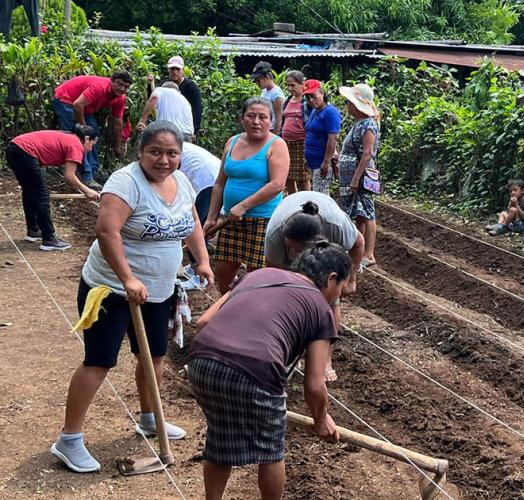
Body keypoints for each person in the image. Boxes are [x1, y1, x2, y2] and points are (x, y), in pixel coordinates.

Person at [50, 121, 214, 473]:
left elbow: (193, 222)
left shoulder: (181, 182)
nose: (164, 160)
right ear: (141, 152)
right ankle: (69, 439)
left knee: (153, 357)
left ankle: (149, 417)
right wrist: (127, 278)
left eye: (172, 153)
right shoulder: (126, 183)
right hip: (110, 288)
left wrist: (201, 259)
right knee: (100, 361)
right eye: (156, 151)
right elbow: (106, 231)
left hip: (158, 289)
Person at [188, 241, 347, 500]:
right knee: (271, 451)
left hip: (202, 360)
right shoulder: (321, 309)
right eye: (340, 287)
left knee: (219, 441)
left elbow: (204, 321)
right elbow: (315, 384)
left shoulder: (258, 275)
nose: (339, 295)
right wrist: (320, 419)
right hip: (256, 371)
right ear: (331, 279)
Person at [265, 191, 365, 381]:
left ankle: (325, 359)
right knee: (288, 304)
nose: (295, 251)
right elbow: (274, 275)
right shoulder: (275, 234)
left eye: (297, 248)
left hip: (327, 257)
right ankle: (289, 353)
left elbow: (358, 244)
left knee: (331, 303)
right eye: (291, 247)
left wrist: (350, 279)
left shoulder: (336, 225)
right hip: (288, 263)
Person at [203, 96, 289, 294]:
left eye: (262, 117)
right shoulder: (232, 142)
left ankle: (253, 317)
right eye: (251, 116)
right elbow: (219, 183)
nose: (256, 121)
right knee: (223, 271)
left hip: (263, 222)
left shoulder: (277, 145)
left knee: (257, 277)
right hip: (232, 220)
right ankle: (229, 311)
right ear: (242, 119)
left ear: (271, 121)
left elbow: (277, 184)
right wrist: (212, 217)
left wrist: (245, 205)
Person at [5, 125, 100, 251]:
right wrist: (87, 190)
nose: (90, 149)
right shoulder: (76, 144)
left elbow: (71, 174)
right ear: (87, 139)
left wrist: (82, 187)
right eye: (92, 144)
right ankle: (49, 239)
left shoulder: (69, 138)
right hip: (25, 151)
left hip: (15, 148)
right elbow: (69, 176)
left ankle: (33, 230)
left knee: (30, 191)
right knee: (41, 195)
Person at [52, 71, 133, 188]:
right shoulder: (100, 87)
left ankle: (94, 171)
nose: (122, 89)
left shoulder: (120, 98)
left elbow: (117, 122)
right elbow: (77, 104)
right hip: (66, 100)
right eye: (119, 84)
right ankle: (86, 176)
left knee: (94, 136)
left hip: (85, 106)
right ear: (111, 81)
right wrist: (84, 129)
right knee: (81, 140)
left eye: (126, 87)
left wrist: (117, 146)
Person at [338, 83, 380, 267]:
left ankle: (369, 254)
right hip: (353, 174)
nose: (347, 106)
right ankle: (358, 250)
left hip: (362, 175)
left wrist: (356, 177)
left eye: (349, 102)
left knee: (367, 212)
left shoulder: (368, 125)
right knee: (359, 213)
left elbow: (367, 153)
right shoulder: (359, 123)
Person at [180, 142, 220, 266]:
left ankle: (196, 268)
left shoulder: (169, 148)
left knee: (194, 226)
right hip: (215, 177)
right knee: (202, 225)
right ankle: (199, 264)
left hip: (206, 181)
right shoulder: (177, 145)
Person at [303, 80, 340, 195]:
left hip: (322, 161)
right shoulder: (315, 110)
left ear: (322, 93)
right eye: (308, 98)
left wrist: (326, 162)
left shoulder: (330, 113)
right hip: (313, 160)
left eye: (313, 96)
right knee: (318, 192)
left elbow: (333, 138)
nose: (311, 101)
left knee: (320, 195)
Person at [281, 70, 311, 193]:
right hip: (287, 143)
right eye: (288, 85)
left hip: (301, 143)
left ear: (302, 84)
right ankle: (293, 200)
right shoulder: (288, 100)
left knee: (303, 176)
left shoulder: (307, 101)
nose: (289, 88)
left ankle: (307, 202)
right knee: (288, 175)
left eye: (293, 85)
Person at [166, 56, 203, 141]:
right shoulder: (167, 86)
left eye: (177, 69)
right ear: (168, 71)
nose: (175, 72)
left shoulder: (191, 87)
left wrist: (194, 130)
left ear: (182, 70)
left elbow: (197, 109)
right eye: (172, 69)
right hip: (170, 128)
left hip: (185, 130)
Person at [251, 62, 285, 134]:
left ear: (267, 77)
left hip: (271, 131)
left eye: (258, 80)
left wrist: (275, 137)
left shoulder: (276, 94)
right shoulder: (264, 91)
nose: (257, 83)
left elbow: (279, 119)